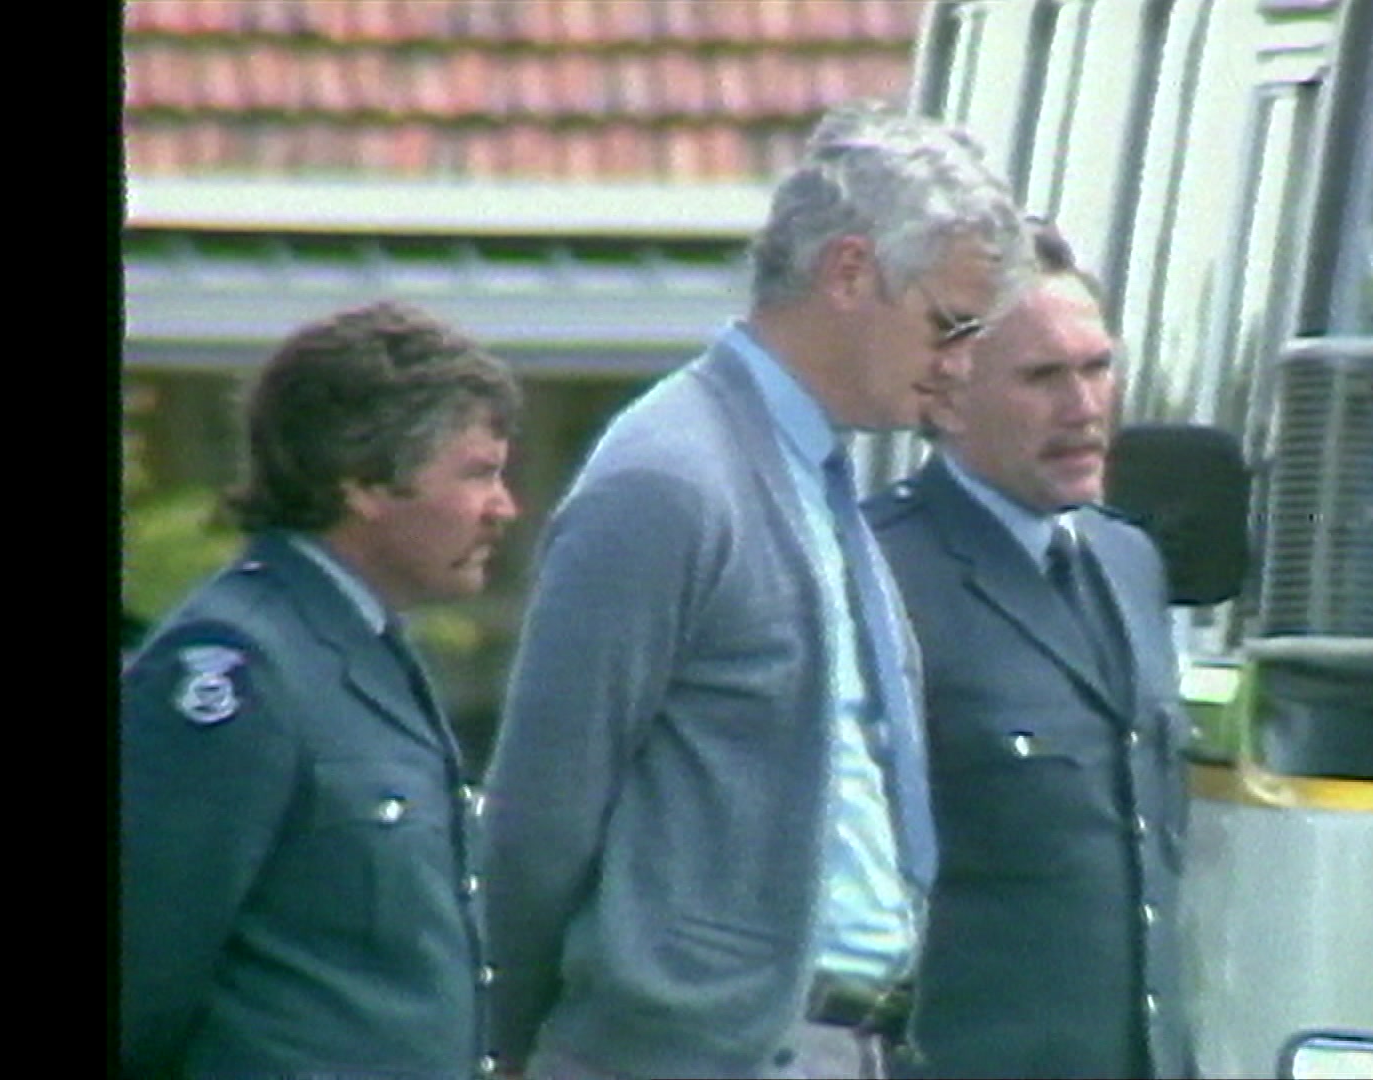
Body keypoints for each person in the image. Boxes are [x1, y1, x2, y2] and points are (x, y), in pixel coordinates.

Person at [480, 100, 1028, 1080]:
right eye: (948, 325)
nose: (961, 364)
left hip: (833, 1045)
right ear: (850, 272)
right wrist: (513, 1048)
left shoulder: (813, 477)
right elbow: (542, 810)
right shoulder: (670, 478)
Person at [119, 300, 523, 1079]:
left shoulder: (367, 649)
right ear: (366, 481)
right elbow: (145, 964)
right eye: (478, 472)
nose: (505, 508)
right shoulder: (236, 666)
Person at [864, 219, 1198, 1078]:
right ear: (947, 395)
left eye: (1097, 367)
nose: (1084, 408)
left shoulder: (1128, 562)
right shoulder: (878, 574)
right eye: (1043, 377)